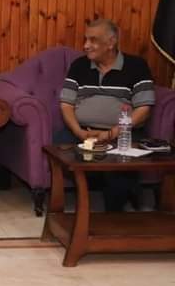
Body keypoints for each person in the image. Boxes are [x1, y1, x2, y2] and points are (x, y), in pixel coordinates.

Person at [57, 18, 155, 211]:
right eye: (85, 39)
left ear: (111, 42)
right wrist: (78, 131)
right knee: (59, 148)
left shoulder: (137, 66)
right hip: (81, 132)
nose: (86, 46)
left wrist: (112, 133)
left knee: (120, 169)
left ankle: (113, 215)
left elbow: (144, 109)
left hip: (123, 133)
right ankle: (71, 208)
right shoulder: (79, 66)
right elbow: (66, 104)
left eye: (93, 40)